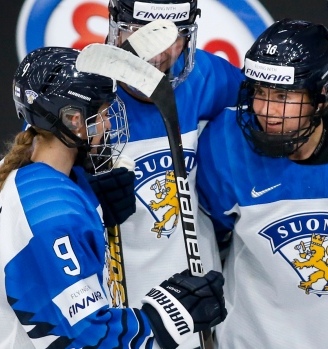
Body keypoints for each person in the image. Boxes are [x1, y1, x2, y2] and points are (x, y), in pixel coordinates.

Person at [0, 47, 226, 349]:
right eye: (102, 112)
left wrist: (91, 198)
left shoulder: (26, 174)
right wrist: (170, 313)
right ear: (72, 119)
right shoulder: (52, 216)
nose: (106, 124)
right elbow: (86, 339)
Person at [195, 19, 328, 349]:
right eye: (260, 92)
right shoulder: (224, 144)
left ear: (321, 96)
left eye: (282, 95)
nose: (266, 111)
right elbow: (211, 240)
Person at [101, 0, 244, 337]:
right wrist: (84, 191)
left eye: (173, 35)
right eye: (139, 33)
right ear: (115, 29)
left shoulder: (209, 78)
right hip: (117, 308)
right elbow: (33, 172)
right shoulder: (81, 91)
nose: (158, 52)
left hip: (197, 303)